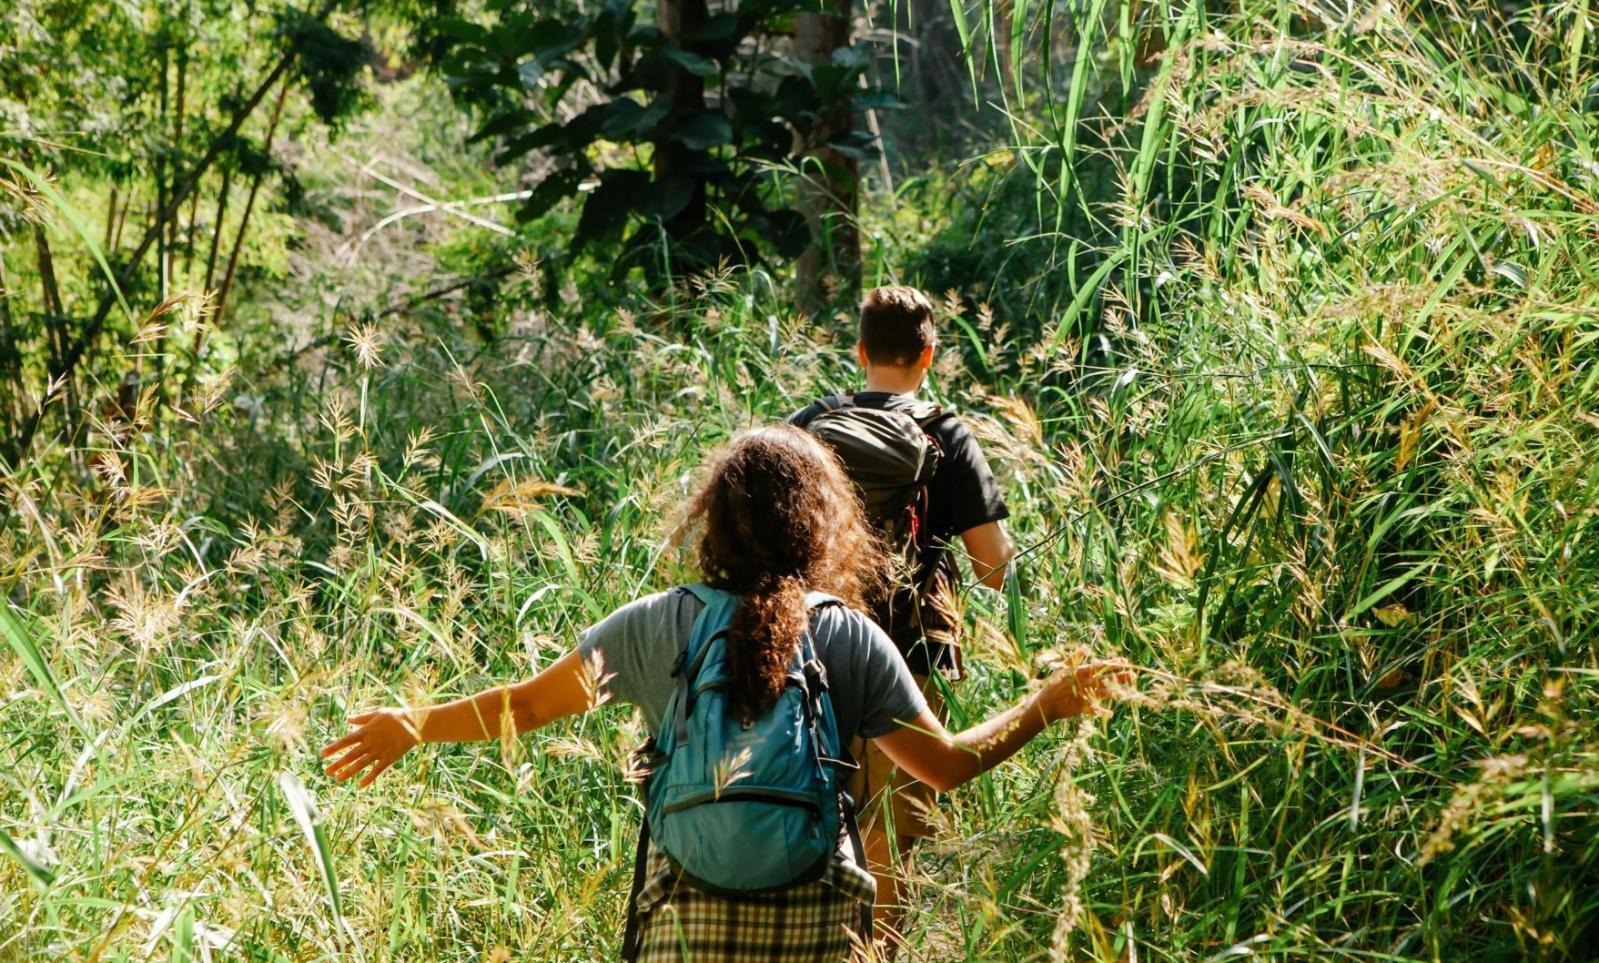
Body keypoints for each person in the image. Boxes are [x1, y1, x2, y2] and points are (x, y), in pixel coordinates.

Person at [321, 426, 1121, 961]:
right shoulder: (845, 633)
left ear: (711, 520)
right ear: (824, 522)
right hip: (815, 914)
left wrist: (413, 725)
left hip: (686, 918)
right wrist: (1044, 703)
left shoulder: (652, 625)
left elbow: (525, 707)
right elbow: (943, 766)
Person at [788, 285, 1015, 943]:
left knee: (810, 822)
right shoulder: (945, 432)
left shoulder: (807, 426)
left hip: (813, 650)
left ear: (860, 351)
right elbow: (992, 565)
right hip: (914, 658)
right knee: (889, 836)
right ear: (929, 353)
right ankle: (876, 953)